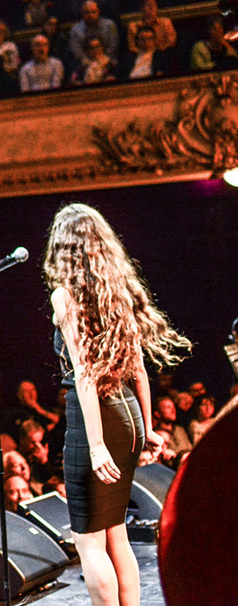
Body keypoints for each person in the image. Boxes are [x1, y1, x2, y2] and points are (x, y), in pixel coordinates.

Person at [44, 203, 191, 606]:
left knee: (88, 540)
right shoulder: (118, 293)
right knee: (116, 532)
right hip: (129, 417)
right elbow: (140, 369)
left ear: (62, 248)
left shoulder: (65, 297)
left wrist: (94, 446)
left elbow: (86, 377)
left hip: (97, 422)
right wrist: (148, 426)